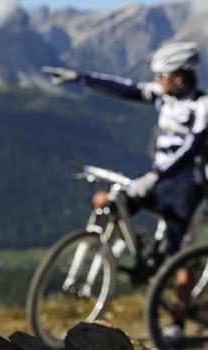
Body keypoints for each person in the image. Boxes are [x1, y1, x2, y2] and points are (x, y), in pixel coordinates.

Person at [43, 42, 208, 343]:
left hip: (188, 187)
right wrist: (80, 77)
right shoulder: (163, 97)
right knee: (109, 202)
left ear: (179, 77)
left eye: (162, 76)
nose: (157, 81)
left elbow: (191, 148)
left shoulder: (202, 106)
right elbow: (125, 88)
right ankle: (139, 246)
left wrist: (155, 175)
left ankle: (179, 322)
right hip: (158, 180)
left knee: (182, 256)